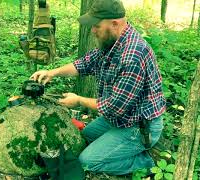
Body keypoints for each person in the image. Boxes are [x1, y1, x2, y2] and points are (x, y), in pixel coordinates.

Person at [30, 0, 166, 175]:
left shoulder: (132, 56)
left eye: (96, 26)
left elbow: (114, 107)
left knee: (86, 161)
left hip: (139, 126)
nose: (92, 31)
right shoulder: (112, 42)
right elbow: (83, 64)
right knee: (84, 137)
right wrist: (52, 72)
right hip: (121, 118)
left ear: (114, 23)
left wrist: (79, 100)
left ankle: (147, 162)